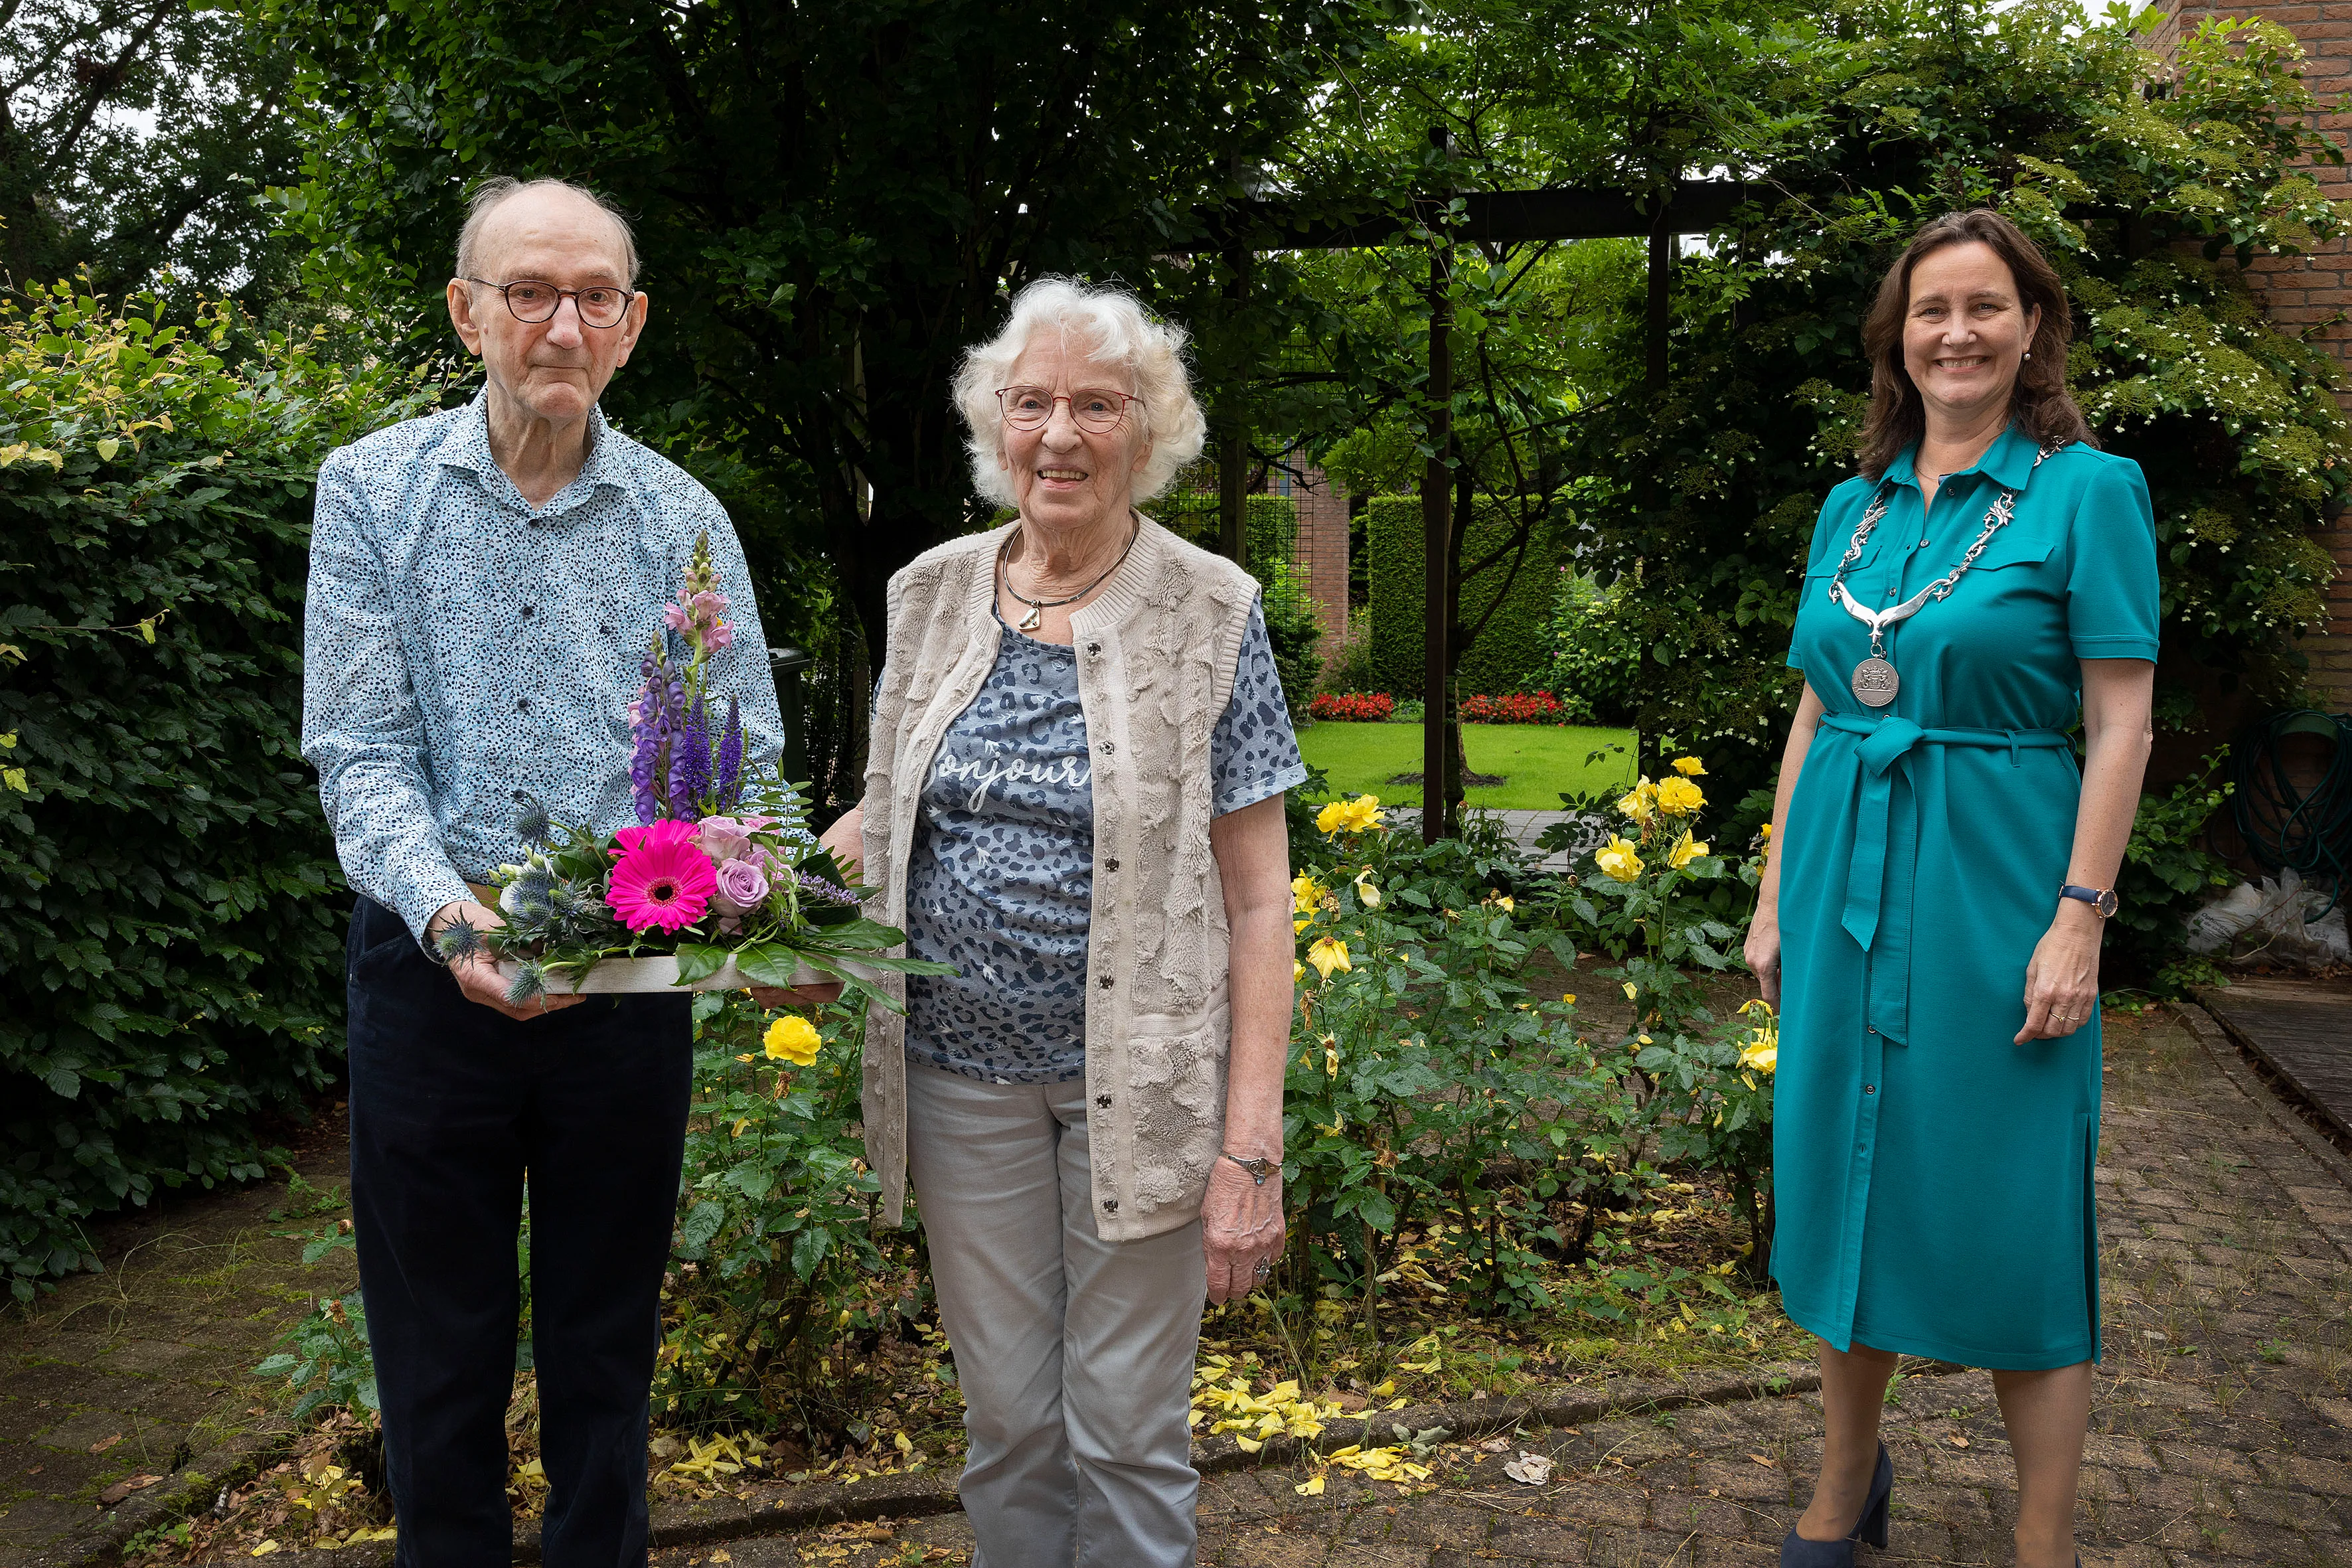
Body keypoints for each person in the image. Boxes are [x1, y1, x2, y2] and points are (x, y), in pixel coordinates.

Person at [301, 175, 790, 1565]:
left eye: (591, 298)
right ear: (469, 313)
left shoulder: (685, 520)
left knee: (604, 1345)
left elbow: (742, 756)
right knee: (435, 1357)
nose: (559, 325)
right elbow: (358, 747)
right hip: (427, 979)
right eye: (529, 293)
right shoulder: (372, 491)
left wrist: (762, 891)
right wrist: (457, 919)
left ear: (631, 326)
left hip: (625, 993)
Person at [815, 277, 1300, 1567]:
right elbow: (883, 809)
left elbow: (1259, 901)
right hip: (957, 1080)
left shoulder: (1212, 612)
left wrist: (1249, 1148)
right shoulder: (927, 592)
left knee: (1127, 1430)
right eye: (1031, 403)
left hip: (1136, 1089)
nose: (1061, 434)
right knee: (1012, 1420)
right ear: (994, 424)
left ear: (1150, 432)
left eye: (1098, 403)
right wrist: (766, 898)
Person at [1745, 207, 2157, 1568]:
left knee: (2011, 1204)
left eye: (1985, 307)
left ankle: (2042, 1539)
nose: (1956, 333)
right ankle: (1843, 1483)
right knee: (1842, 1177)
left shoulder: (2085, 493)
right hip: (1841, 882)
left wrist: (2078, 917)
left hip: (1997, 891)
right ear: (1897, 338)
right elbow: (1815, 709)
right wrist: (1770, 896)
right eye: (1931, 310)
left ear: (2031, 326)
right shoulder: (1850, 511)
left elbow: (2120, 722)